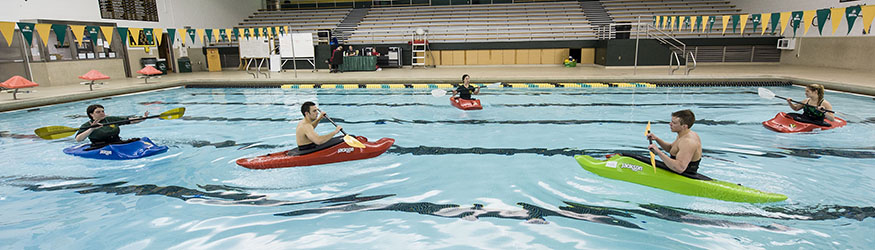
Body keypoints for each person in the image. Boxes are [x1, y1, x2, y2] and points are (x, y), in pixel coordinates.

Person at [633, 109, 709, 180]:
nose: (670, 124)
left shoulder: (688, 142)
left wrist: (659, 152)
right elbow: (671, 149)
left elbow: (680, 168)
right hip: (676, 169)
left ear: (684, 126)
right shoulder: (683, 134)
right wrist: (656, 139)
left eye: (674, 123)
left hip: (685, 175)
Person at [75, 104, 149, 147]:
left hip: (117, 142)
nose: (102, 113)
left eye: (103, 111)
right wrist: (91, 129)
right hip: (100, 146)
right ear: (91, 114)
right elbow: (78, 139)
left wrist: (142, 118)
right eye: (98, 112)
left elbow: (129, 120)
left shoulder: (110, 119)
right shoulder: (87, 125)